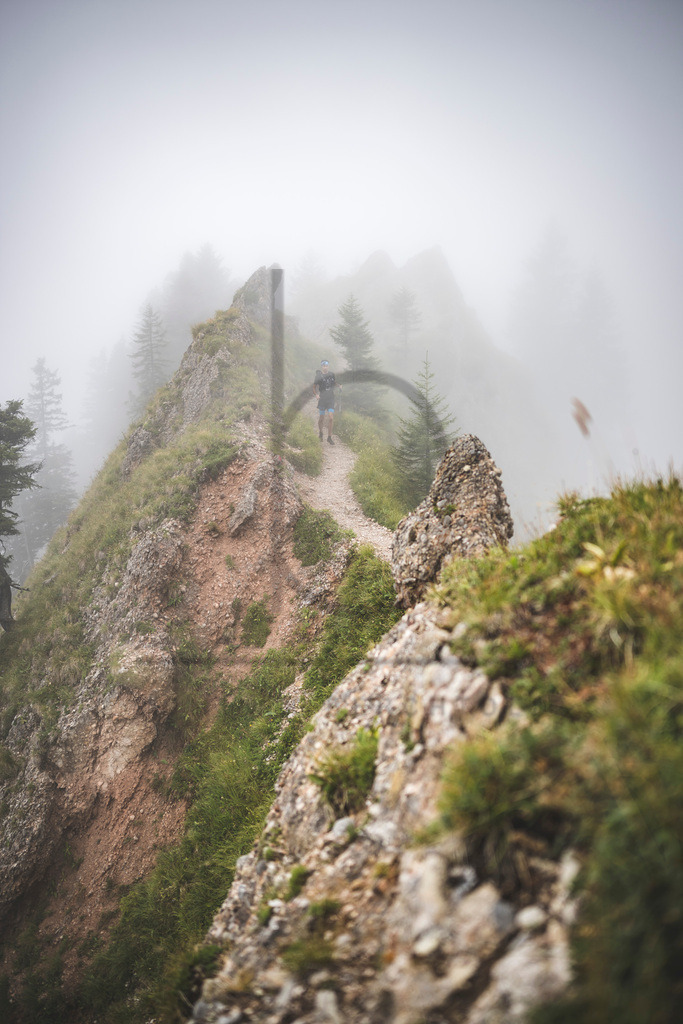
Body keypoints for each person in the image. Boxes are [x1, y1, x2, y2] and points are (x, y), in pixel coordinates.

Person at [313, 359, 339, 445]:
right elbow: (314, 387)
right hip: (322, 399)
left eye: (327, 366)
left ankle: (329, 437)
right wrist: (316, 395)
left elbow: (333, 382)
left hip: (330, 399)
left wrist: (339, 385)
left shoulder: (331, 374)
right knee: (321, 418)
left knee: (331, 418)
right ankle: (320, 433)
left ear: (328, 366)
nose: (325, 367)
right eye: (324, 366)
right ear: (322, 366)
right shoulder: (318, 376)